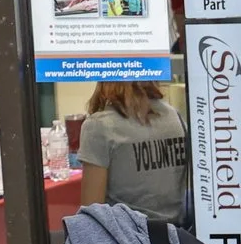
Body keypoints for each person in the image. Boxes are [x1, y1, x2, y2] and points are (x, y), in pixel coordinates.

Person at [77, 83, 190, 225]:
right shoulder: (174, 116)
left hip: (125, 238)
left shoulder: (99, 126)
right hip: (175, 235)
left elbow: (92, 214)